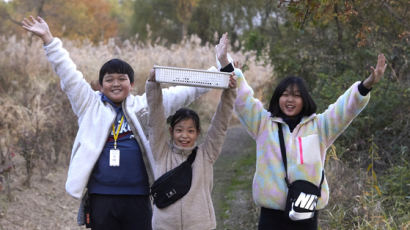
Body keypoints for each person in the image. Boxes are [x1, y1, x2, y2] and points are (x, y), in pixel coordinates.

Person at [21, 16, 211, 230]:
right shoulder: (88, 104)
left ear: (132, 84)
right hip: (101, 197)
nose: (116, 84)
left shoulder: (147, 105)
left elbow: (187, 91)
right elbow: (68, 73)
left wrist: (221, 74)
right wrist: (48, 39)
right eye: (109, 79)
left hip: (139, 196)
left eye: (122, 79)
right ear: (100, 86)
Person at [216, 33, 387, 230]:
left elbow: (345, 109)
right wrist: (225, 64)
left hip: (305, 212)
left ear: (304, 100)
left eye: (296, 96)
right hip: (271, 216)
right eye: (285, 95)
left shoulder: (320, 127)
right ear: (277, 98)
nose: (290, 100)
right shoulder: (264, 124)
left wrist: (366, 85)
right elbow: (242, 99)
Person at [145, 65, 237, 230]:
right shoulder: (161, 153)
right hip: (164, 226)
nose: (184, 135)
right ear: (171, 131)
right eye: (179, 130)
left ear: (197, 133)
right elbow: (155, 119)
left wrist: (229, 92)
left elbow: (221, 123)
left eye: (190, 131)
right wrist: (153, 85)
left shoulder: (206, 154)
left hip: (201, 225)